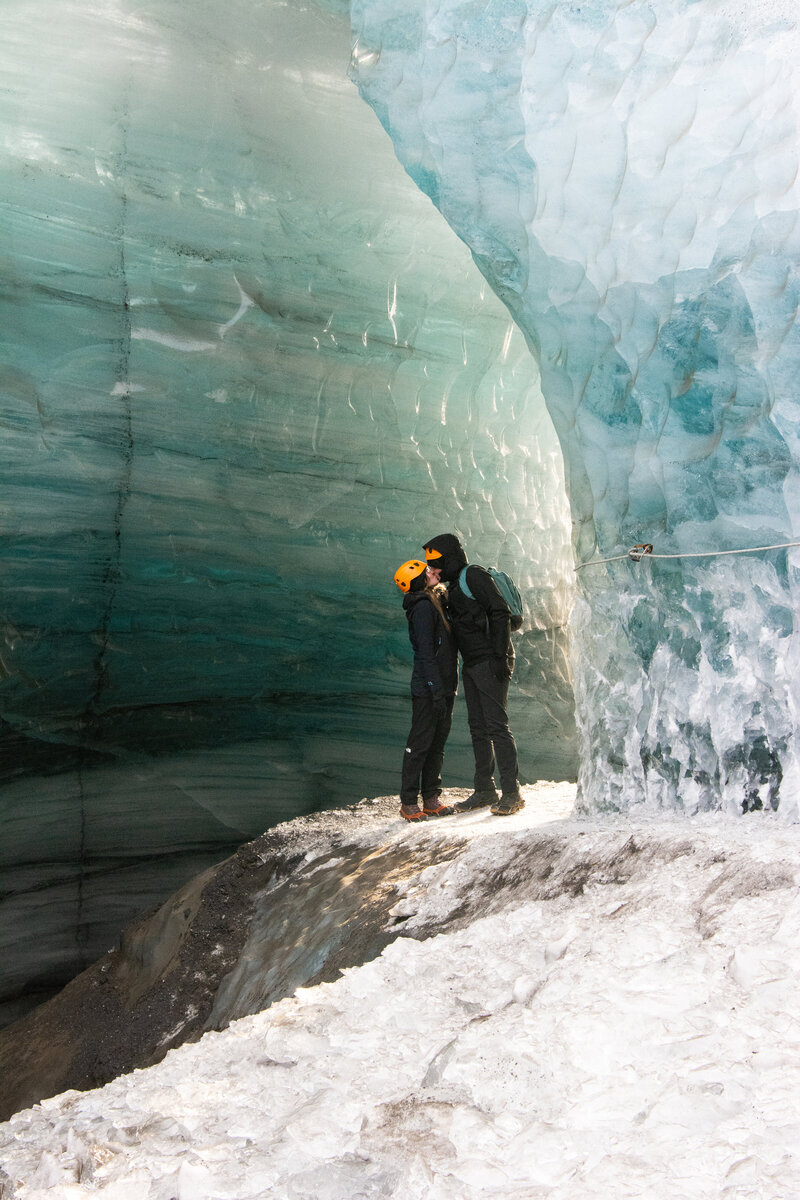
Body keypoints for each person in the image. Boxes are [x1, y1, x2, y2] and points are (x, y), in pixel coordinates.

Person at [422, 533, 524, 815]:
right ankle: (485, 791)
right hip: (473, 662)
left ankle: (512, 793)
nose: (434, 569)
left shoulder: (473, 575)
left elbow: (499, 612)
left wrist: (500, 657)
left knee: (496, 726)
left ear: (451, 558)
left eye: (437, 562)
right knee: (478, 728)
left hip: (491, 660)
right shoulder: (454, 586)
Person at [394, 559, 458, 821]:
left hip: (443, 685)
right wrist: (434, 688)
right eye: (426, 572)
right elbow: (425, 653)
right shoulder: (422, 608)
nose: (432, 572)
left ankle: (431, 797)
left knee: (437, 743)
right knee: (420, 743)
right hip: (429, 687)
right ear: (419, 581)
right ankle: (408, 802)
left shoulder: (435, 601)